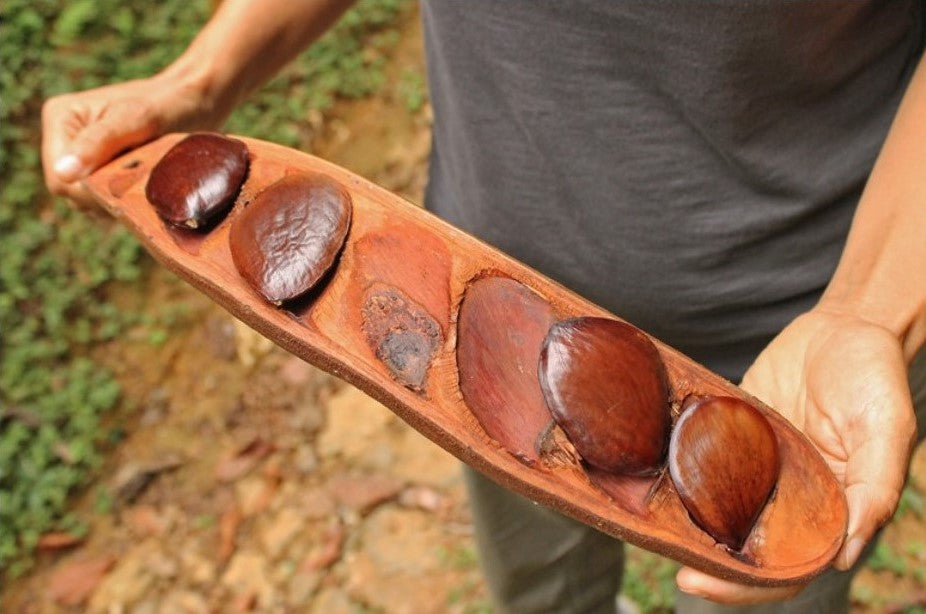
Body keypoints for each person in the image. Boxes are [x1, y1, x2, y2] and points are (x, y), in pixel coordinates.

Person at [43, 1, 926, 612]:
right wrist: (204, 75)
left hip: (792, 331)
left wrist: (869, 307)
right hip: (484, 328)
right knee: (538, 588)